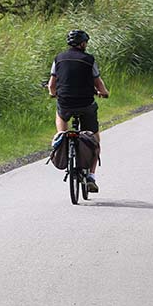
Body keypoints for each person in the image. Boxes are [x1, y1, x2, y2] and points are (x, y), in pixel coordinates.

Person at [48, 29, 109, 192]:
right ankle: (91, 176)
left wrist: (53, 94)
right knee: (95, 141)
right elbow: (98, 83)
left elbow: (52, 85)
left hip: (66, 104)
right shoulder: (89, 60)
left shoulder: (58, 58)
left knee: (60, 115)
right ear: (83, 44)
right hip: (86, 105)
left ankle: (61, 136)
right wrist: (104, 93)